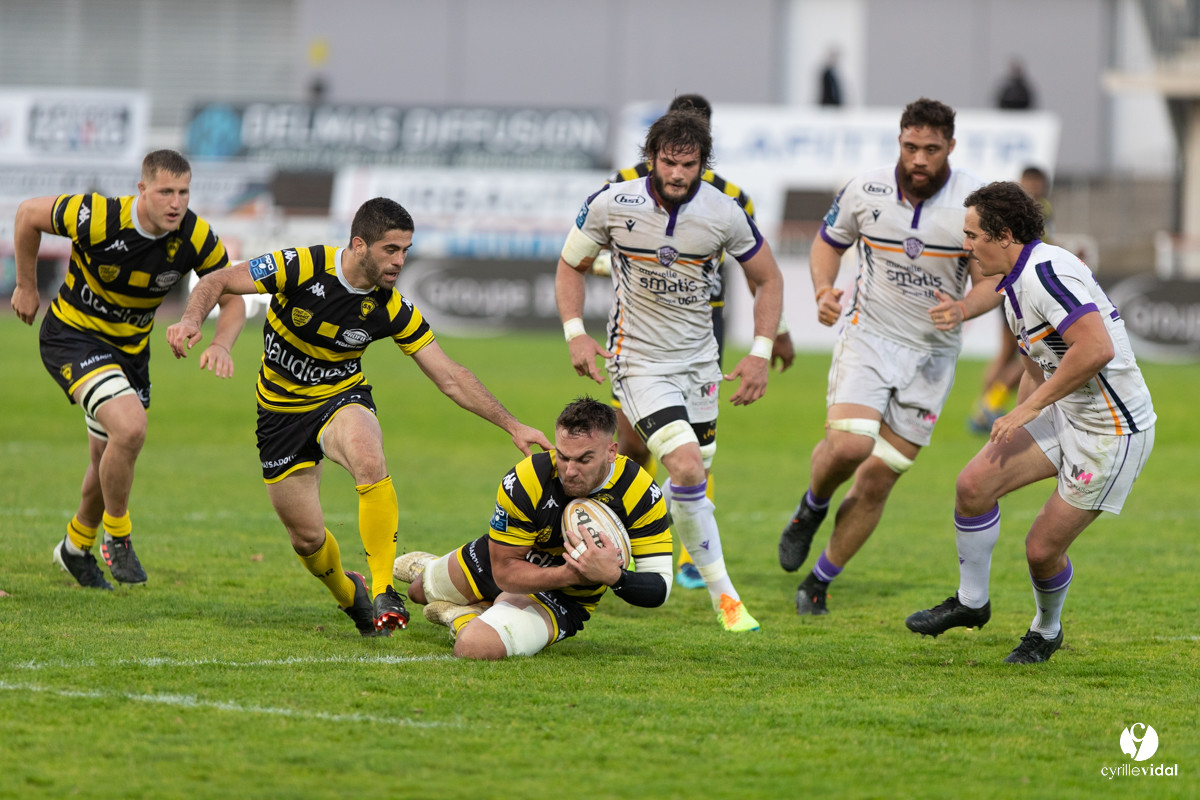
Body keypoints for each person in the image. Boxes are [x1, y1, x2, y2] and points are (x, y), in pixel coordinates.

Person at [165, 197, 550, 637]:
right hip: (279, 414)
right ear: (359, 244)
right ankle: (354, 597)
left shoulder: (391, 307)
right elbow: (219, 280)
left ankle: (386, 590)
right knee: (307, 540)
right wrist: (194, 320)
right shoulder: (302, 266)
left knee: (369, 457)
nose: (400, 261)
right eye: (391, 250)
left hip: (341, 398)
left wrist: (513, 424)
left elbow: (451, 376)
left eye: (406, 250)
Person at [905, 181, 1155, 663]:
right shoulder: (1013, 283)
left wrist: (1028, 409)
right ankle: (972, 603)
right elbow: (1034, 367)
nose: (966, 245)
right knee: (973, 484)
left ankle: (1046, 629)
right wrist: (1022, 414)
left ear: (1004, 235)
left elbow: (1097, 348)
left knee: (1041, 550)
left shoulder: (1045, 274)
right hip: (1067, 413)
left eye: (974, 235)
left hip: (1112, 432)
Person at [556, 107, 785, 632]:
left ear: (704, 163)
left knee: (694, 474)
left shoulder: (724, 212)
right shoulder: (615, 203)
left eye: (690, 164)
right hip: (636, 362)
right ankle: (726, 599)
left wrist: (760, 351)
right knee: (685, 466)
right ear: (651, 159)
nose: (678, 174)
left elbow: (768, 280)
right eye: (669, 162)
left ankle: (601, 533)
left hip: (700, 364)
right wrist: (576, 333)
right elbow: (570, 263)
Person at [777, 98, 1002, 616]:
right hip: (869, 338)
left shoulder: (973, 202)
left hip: (932, 358)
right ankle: (811, 507)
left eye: (931, 149)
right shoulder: (866, 189)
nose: (919, 159)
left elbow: (995, 278)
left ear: (950, 147)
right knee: (852, 448)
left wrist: (966, 306)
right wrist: (822, 289)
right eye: (910, 146)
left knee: (881, 477)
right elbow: (826, 243)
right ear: (899, 140)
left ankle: (819, 579)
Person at [10, 149, 246, 590]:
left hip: (130, 355)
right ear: (142, 190)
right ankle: (117, 536)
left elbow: (232, 296)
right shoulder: (100, 216)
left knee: (108, 459)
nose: (175, 202)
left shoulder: (195, 236)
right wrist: (26, 284)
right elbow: (27, 215)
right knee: (131, 429)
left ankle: (76, 546)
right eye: (165, 192)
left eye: (183, 192)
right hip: (73, 337)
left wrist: (220, 343)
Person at [392, 397, 674, 659]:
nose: (570, 470)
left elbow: (659, 588)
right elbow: (504, 572)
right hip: (510, 561)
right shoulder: (527, 478)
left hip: (564, 596)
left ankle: (462, 616)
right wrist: (569, 573)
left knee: (473, 645)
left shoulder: (640, 492)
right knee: (418, 591)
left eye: (584, 459)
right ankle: (436, 573)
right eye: (563, 457)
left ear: (611, 452)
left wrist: (615, 577)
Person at [967, 166, 1054, 434]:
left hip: (1020, 284)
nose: (1032, 187)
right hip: (1017, 288)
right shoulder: (1010, 214)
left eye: (1036, 183)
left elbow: (1044, 241)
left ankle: (985, 407)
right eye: (1028, 182)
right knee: (1019, 357)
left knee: (1010, 356)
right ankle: (988, 406)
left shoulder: (1044, 209)